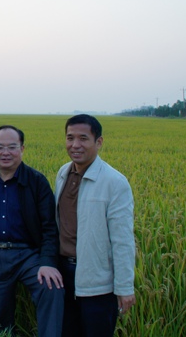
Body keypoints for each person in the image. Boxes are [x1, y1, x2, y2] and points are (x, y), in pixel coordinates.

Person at [0, 125, 64, 337]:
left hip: (28, 255)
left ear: (22, 149)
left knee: (52, 288)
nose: (6, 153)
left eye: (12, 147)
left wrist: (48, 262)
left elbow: (49, 226)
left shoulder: (36, 181)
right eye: (0, 147)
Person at [55, 114, 135, 337]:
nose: (75, 145)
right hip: (63, 274)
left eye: (83, 138)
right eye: (70, 138)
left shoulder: (114, 182)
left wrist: (124, 287)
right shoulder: (63, 173)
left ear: (98, 142)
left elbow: (122, 240)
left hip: (97, 280)